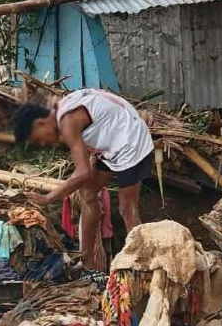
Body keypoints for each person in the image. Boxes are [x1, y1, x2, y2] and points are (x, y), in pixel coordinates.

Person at [12, 88, 155, 271]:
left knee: (127, 209)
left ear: (40, 123)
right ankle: (87, 261)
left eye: (37, 139)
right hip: (113, 140)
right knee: (87, 193)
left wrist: (48, 198)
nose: (42, 143)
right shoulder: (60, 111)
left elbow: (82, 173)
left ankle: (142, 266)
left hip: (131, 141)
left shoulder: (67, 122)